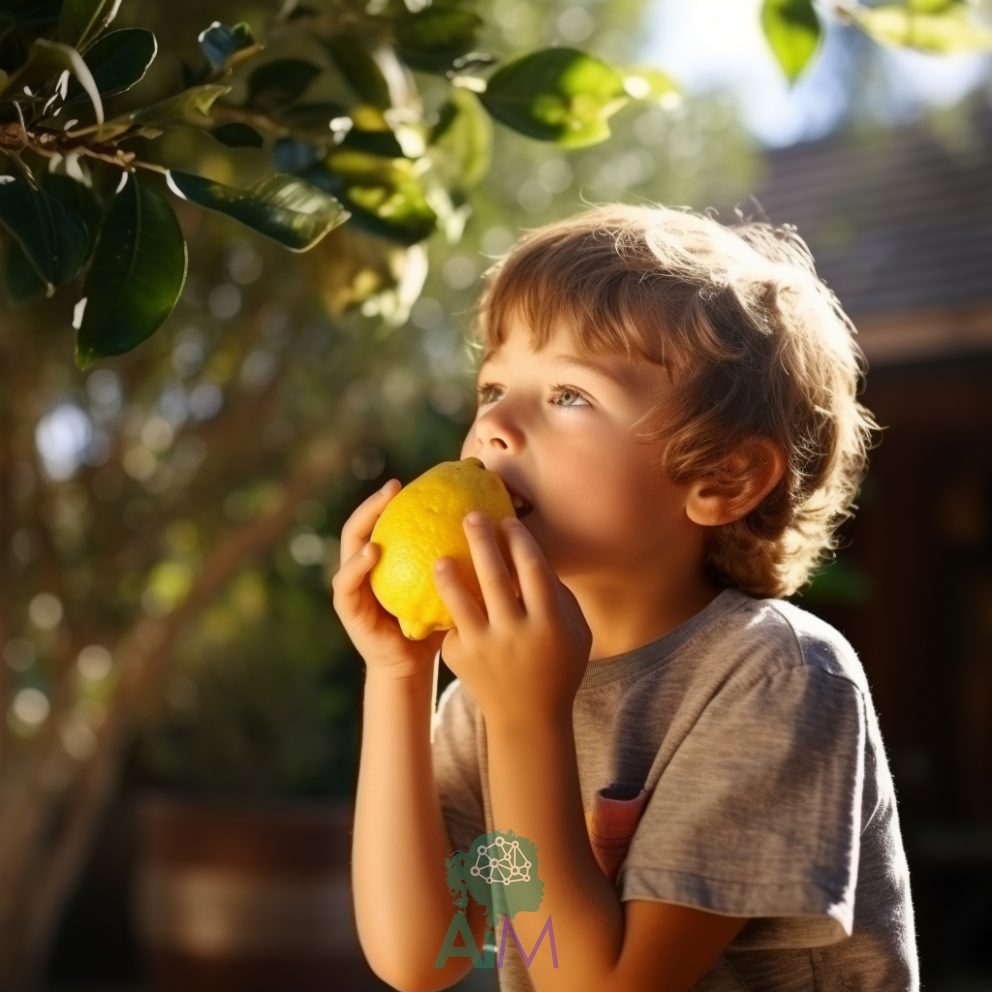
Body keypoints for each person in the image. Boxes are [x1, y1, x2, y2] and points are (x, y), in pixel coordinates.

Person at [333, 203, 920, 992]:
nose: (495, 426)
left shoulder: (778, 673)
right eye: (494, 384)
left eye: (570, 395)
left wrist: (524, 716)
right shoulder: (493, 689)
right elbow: (420, 953)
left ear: (724, 479)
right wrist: (400, 675)